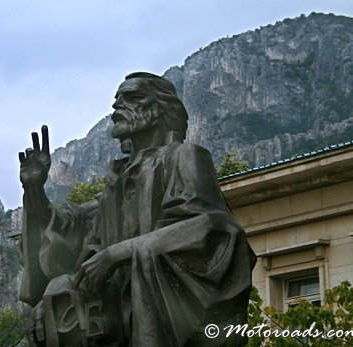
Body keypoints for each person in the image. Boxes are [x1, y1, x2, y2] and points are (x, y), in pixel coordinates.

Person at [18, 72, 256, 346]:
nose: (117, 105)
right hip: (113, 322)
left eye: (131, 97)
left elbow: (213, 228)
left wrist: (120, 252)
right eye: (117, 99)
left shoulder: (183, 156)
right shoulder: (115, 186)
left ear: (157, 110)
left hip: (153, 320)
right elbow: (67, 234)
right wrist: (34, 189)